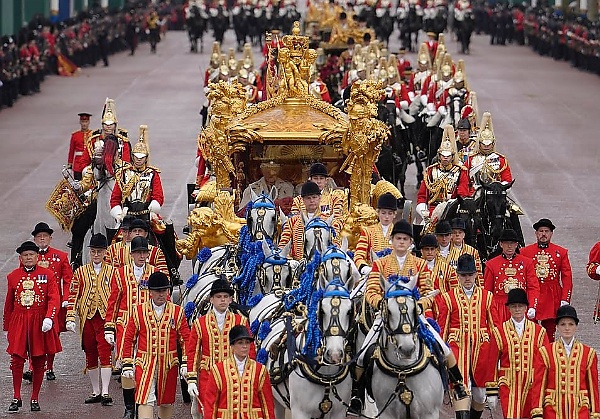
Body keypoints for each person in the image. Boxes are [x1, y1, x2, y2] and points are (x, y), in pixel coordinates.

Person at [433, 254, 497, 419]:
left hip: (481, 350)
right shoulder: (448, 297)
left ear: (476, 274)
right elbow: (443, 327)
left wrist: (496, 354)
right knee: (460, 389)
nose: (467, 278)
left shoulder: (487, 296)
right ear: (458, 275)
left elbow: (494, 327)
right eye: (463, 275)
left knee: (480, 395)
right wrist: (440, 351)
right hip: (457, 347)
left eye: (470, 274)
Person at [121, 272, 191, 419]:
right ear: (150, 292)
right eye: (158, 291)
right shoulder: (138, 311)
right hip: (145, 363)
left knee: (166, 403)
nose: (161, 294)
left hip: (169, 364)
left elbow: (186, 340)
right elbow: (129, 339)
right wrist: (127, 363)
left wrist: (186, 362)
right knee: (145, 399)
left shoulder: (177, 312)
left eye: (164, 290)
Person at [4, 241, 61, 413]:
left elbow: (54, 298)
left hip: (39, 321)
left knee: (38, 360)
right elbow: (9, 303)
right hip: (20, 321)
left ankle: (34, 397)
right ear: (21, 258)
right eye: (25, 255)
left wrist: (49, 318)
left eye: (31, 255)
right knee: (16, 359)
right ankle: (16, 396)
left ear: (37, 257)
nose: (28, 258)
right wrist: (8, 326)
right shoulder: (13, 276)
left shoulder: (48, 274)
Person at [104, 236, 156, 419]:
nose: (142, 256)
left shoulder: (154, 273)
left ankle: (142, 402)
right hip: (125, 325)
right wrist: (109, 327)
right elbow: (113, 302)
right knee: (127, 366)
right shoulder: (119, 273)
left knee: (144, 365)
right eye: (138, 253)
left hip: (147, 326)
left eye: (144, 252)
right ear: (131, 254)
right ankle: (129, 407)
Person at [186, 279, 254, 418]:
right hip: (208, 378)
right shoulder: (200, 323)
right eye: (218, 297)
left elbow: (250, 351)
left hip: (235, 378)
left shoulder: (240, 321)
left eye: (225, 297)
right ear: (211, 299)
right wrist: (192, 380)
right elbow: (192, 352)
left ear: (230, 299)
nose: (222, 300)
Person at [66, 233, 116, 406]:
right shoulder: (80, 272)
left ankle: (106, 391)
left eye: (99, 251)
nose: (96, 255)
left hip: (105, 319)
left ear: (105, 252)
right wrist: (70, 317)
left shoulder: (113, 272)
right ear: (89, 252)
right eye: (93, 251)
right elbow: (73, 295)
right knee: (90, 352)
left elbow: (117, 297)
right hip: (87, 317)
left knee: (105, 353)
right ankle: (95, 391)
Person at [530, 305, 600, 419]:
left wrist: (595, 413)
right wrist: (537, 412)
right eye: (563, 324)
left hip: (579, 412)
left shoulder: (589, 353)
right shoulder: (545, 352)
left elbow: (593, 388)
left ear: (576, 326)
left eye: (571, 324)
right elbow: (539, 385)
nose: (567, 328)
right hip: (553, 411)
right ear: (557, 326)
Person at [489, 288, 548, 419]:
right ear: (508, 308)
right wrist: (492, 391)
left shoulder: (539, 332)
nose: (517, 309)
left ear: (526, 308)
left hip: (532, 385)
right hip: (508, 385)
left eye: (520, 306)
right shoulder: (499, 331)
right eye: (514, 306)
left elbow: (546, 363)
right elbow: (491, 362)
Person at [202, 325, 275, 419]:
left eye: (247, 343)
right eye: (240, 343)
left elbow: (267, 404)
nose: (244, 346)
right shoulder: (218, 370)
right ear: (232, 346)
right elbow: (210, 403)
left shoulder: (260, 370)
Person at [31, 222, 72, 381]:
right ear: (35, 239)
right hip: (34, 303)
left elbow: (68, 280)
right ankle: (33, 367)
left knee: (52, 335)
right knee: (33, 334)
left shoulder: (61, 256)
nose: (42, 239)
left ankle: (50, 367)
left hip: (53, 302)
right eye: (39, 237)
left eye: (45, 236)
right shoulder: (29, 256)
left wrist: (66, 298)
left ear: (50, 238)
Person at [520, 218, 572, 341]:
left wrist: (565, 299)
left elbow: (567, 277)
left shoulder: (561, 252)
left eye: (546, 231)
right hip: (533, 293)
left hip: (551, 294)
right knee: (531, 327)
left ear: (551, 233)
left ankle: (548, 352)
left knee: (550, 328)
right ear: (536, 233)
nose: (543, 234)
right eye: (541, 231)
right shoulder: (525, 252)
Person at [484, 229, 540, 326]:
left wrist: (532, 306)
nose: (509, 246)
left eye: (512, 243)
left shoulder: (527, 263)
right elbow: (487, 291)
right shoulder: (491, 264)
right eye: (506, 243)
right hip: (499, 309)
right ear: (501, 244)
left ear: (516, 244)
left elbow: (533, 287)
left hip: (520, 307)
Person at [416, 126, 471, 222]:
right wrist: (424, 211)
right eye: (443, 155)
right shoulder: (430, 171)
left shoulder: (460, 171)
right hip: (432, 212)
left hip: (453, 212)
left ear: (452, 156)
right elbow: (422, 195)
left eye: (448, 156)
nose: (445, 158)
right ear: (439, 155)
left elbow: (463, 194)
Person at [110, 125, 164, 223]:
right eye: (136, 157)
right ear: (132, 156)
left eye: (142, 157)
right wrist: (118, 214)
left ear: (146, 158)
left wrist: (154, 209)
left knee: (166, 232)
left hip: (148, 215)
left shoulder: (153, 173)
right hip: (127, 216)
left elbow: (158, 195)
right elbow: (115, 197)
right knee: (115, 238)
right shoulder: (123, 173)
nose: (139, 160)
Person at [279, 181, 337, 260]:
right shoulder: (293, 221)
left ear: (319, 198)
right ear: (303, 200)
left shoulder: (327, 220)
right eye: (308, 198)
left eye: (314, 197)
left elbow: (336, 244)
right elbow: (283, 244)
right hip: (298, 263)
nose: (312, 200)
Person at [353, 193, 398, 275]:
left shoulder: (399, 233)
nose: (386, 217)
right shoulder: (368, 232)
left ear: (395, 214)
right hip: (371, 274)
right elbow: (359, 255)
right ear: (378, 212)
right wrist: (366, 269)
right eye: (383, 213)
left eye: (390, 213)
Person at [468, 111, 512, 189]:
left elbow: (507, 179)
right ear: (479, 143)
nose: (486, 147)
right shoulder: (471, 159)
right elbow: (464, 180)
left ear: (493, 144)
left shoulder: (501, 160)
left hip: (495, 192)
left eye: (488, 144)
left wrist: (499, 188)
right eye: (484, 144)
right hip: (474, 192)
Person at [448, 218, 483, 283]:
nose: (457, 235)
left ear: (464, 235)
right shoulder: (446, 251)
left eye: (460, 232)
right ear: (451, 235)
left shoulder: (473, 251)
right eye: (454, 233)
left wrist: (481, 290)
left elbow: (479, 273)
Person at [67, 112, 93, 180]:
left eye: (86, 122)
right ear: (80, 122)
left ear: (89, 122)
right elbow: (71, 151)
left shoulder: (92, 134)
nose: (84, 124)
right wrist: (70, 165)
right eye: (82, 121)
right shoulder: (75, 135)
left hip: (89, 162)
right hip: (77, 164)